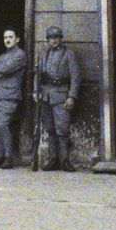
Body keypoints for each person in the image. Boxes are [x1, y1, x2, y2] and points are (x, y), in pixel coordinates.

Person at [37, 24, 82, 171]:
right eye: (50, 38)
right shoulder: (45, 54)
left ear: (61, 38)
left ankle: (65, 160)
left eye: (56, 37)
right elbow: (38, 74)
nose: (53, 40)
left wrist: (72, 96)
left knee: (62, 129)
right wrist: (35, 91)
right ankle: (53, 160)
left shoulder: (69, 54)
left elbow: (75, 77)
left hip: (62, 94)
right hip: (46, 95)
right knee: (50, 129)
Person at [0, 27, 27, 168]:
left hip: (9, 95)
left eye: (10, 37)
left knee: (3, 124)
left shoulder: (19, 54)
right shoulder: (2, 56)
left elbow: (6, 69)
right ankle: (1, 155)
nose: (7, 40)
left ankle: (9, 157)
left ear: (17, 39)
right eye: (5, 38)